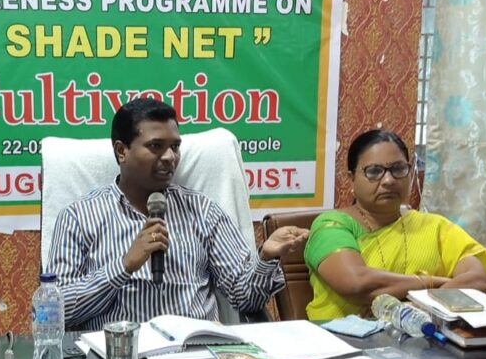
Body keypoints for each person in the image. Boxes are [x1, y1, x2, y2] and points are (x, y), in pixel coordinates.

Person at [45, 97, 309, 331]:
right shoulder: (79, 217)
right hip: (119, 357)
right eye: (156, 146)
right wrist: (124, 266)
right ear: (122, 151)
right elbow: (58, 311)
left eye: (175, 147)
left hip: (195, 356)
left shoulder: (202, 211)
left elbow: (245, 299)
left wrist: (266, 257)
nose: (170, 157)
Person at [303, 129, 486, 320]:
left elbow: (478, 282)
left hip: (424, 336)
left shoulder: (434, 227)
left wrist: (415, 307)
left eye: (398, 169)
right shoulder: (332, 224)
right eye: (374, 171)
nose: (388, 180)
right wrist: (433, 283)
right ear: (351, 178)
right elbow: (356, 283)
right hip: (341, 338)